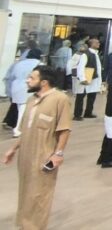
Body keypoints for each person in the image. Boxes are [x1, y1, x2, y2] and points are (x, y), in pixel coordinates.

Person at [2, 66, 72, 230]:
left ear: (44, 82)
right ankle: (24, 224)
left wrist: (58, 154)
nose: (27, 80)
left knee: (40, 194)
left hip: (44, 155)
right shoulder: (31, 100)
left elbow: (64, 129)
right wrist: (13, 149)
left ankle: (34, 227)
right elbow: (26, 129)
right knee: (26, 190)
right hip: (26, 155)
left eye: (32, 78)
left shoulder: (60, 99)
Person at [4, 49, 42, 137]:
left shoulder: (19, 63)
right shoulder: (38, 64)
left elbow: (12, 76)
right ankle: (18, 128)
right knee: (25, 109)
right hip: (28, 86)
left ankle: (21, 127)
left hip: (16, 86)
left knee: (20, 108)